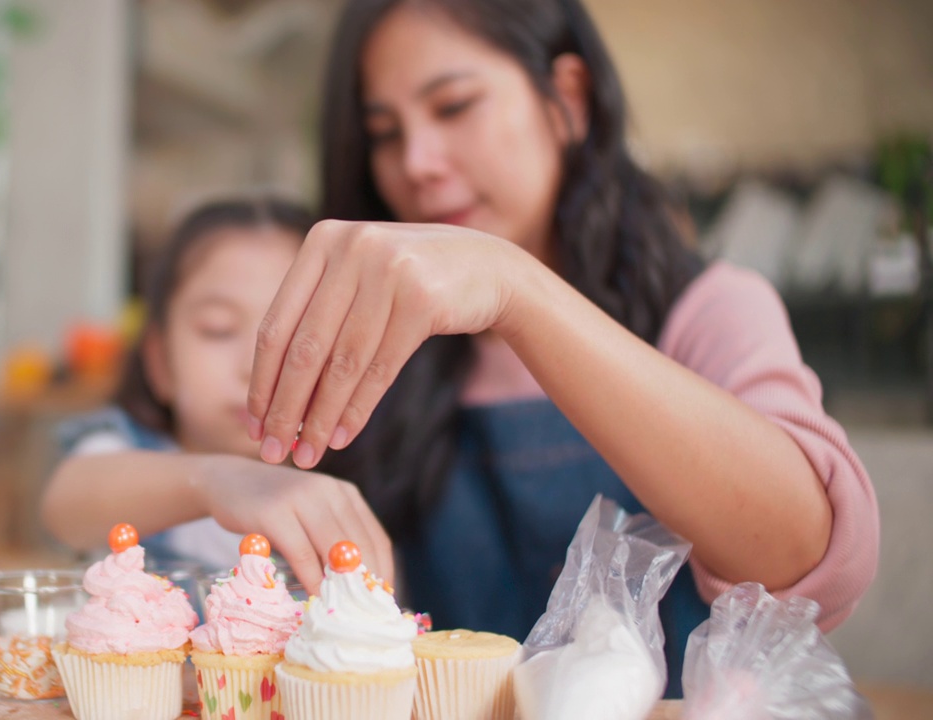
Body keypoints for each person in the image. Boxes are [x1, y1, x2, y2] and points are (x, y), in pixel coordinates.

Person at [242, 0, 879, 695]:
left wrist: (519, 291)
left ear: (567, 101)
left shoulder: (708, 309)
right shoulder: (374, 351)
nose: (416, 163)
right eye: (384, 133)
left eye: (453, 106)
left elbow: (805, 557)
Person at [41, 197, 394, 579]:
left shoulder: (359, 479)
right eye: (218, 329)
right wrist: (217, 481)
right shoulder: (122, 451)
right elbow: (65, 503)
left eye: (297, 334)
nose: (254, 366)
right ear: (160, 363)